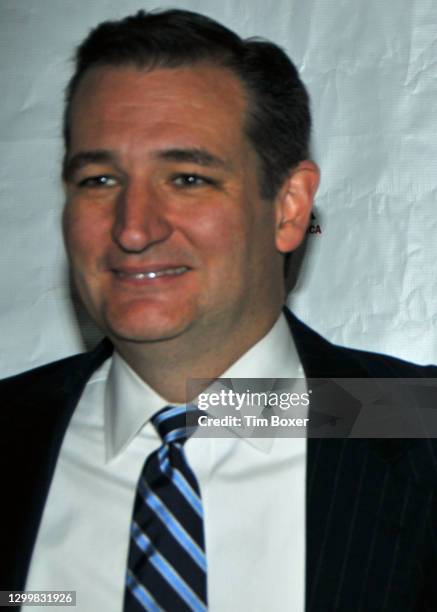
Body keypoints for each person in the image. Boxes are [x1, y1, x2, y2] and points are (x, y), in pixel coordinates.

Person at [1, 8, 436, 612]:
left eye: (186, 178)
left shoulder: (421, 425)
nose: (133, 229)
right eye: (99, 180)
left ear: (287, 207)